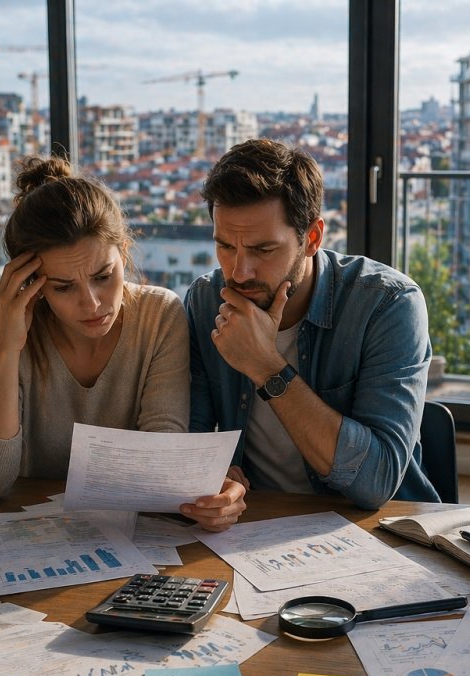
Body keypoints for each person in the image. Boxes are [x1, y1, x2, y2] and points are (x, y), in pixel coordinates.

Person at [0, 154, 245, 531]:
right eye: (63, 287)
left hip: (127, 536)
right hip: (28, 536)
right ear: (31, 284)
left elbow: (159, 462)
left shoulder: (159, 314)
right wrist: (8, 346)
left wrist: (204, 492)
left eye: (104, 276)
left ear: (123, 252)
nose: (91, 304)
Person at [185, 138, 438, 510]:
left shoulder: (388, 304)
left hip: (373, 527)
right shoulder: (206, 301)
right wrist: (211, 479)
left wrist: (266, 366)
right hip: (257, 520)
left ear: (312, 238)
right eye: (225, 246)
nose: (239, 272)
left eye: (262, 250)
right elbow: (189, 444)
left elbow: (377, 481)